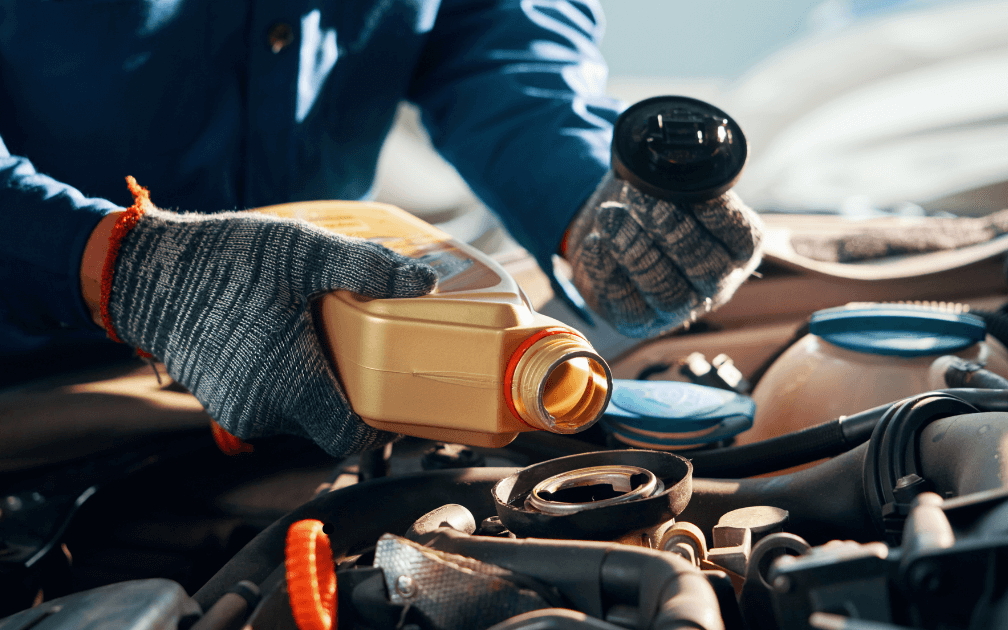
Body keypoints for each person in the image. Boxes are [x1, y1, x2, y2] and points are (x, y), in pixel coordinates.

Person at [0, 0, 761, 456]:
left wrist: (581, 199)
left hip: (327, 365)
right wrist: (119, 267)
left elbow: (490, 31)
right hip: (35, 388)